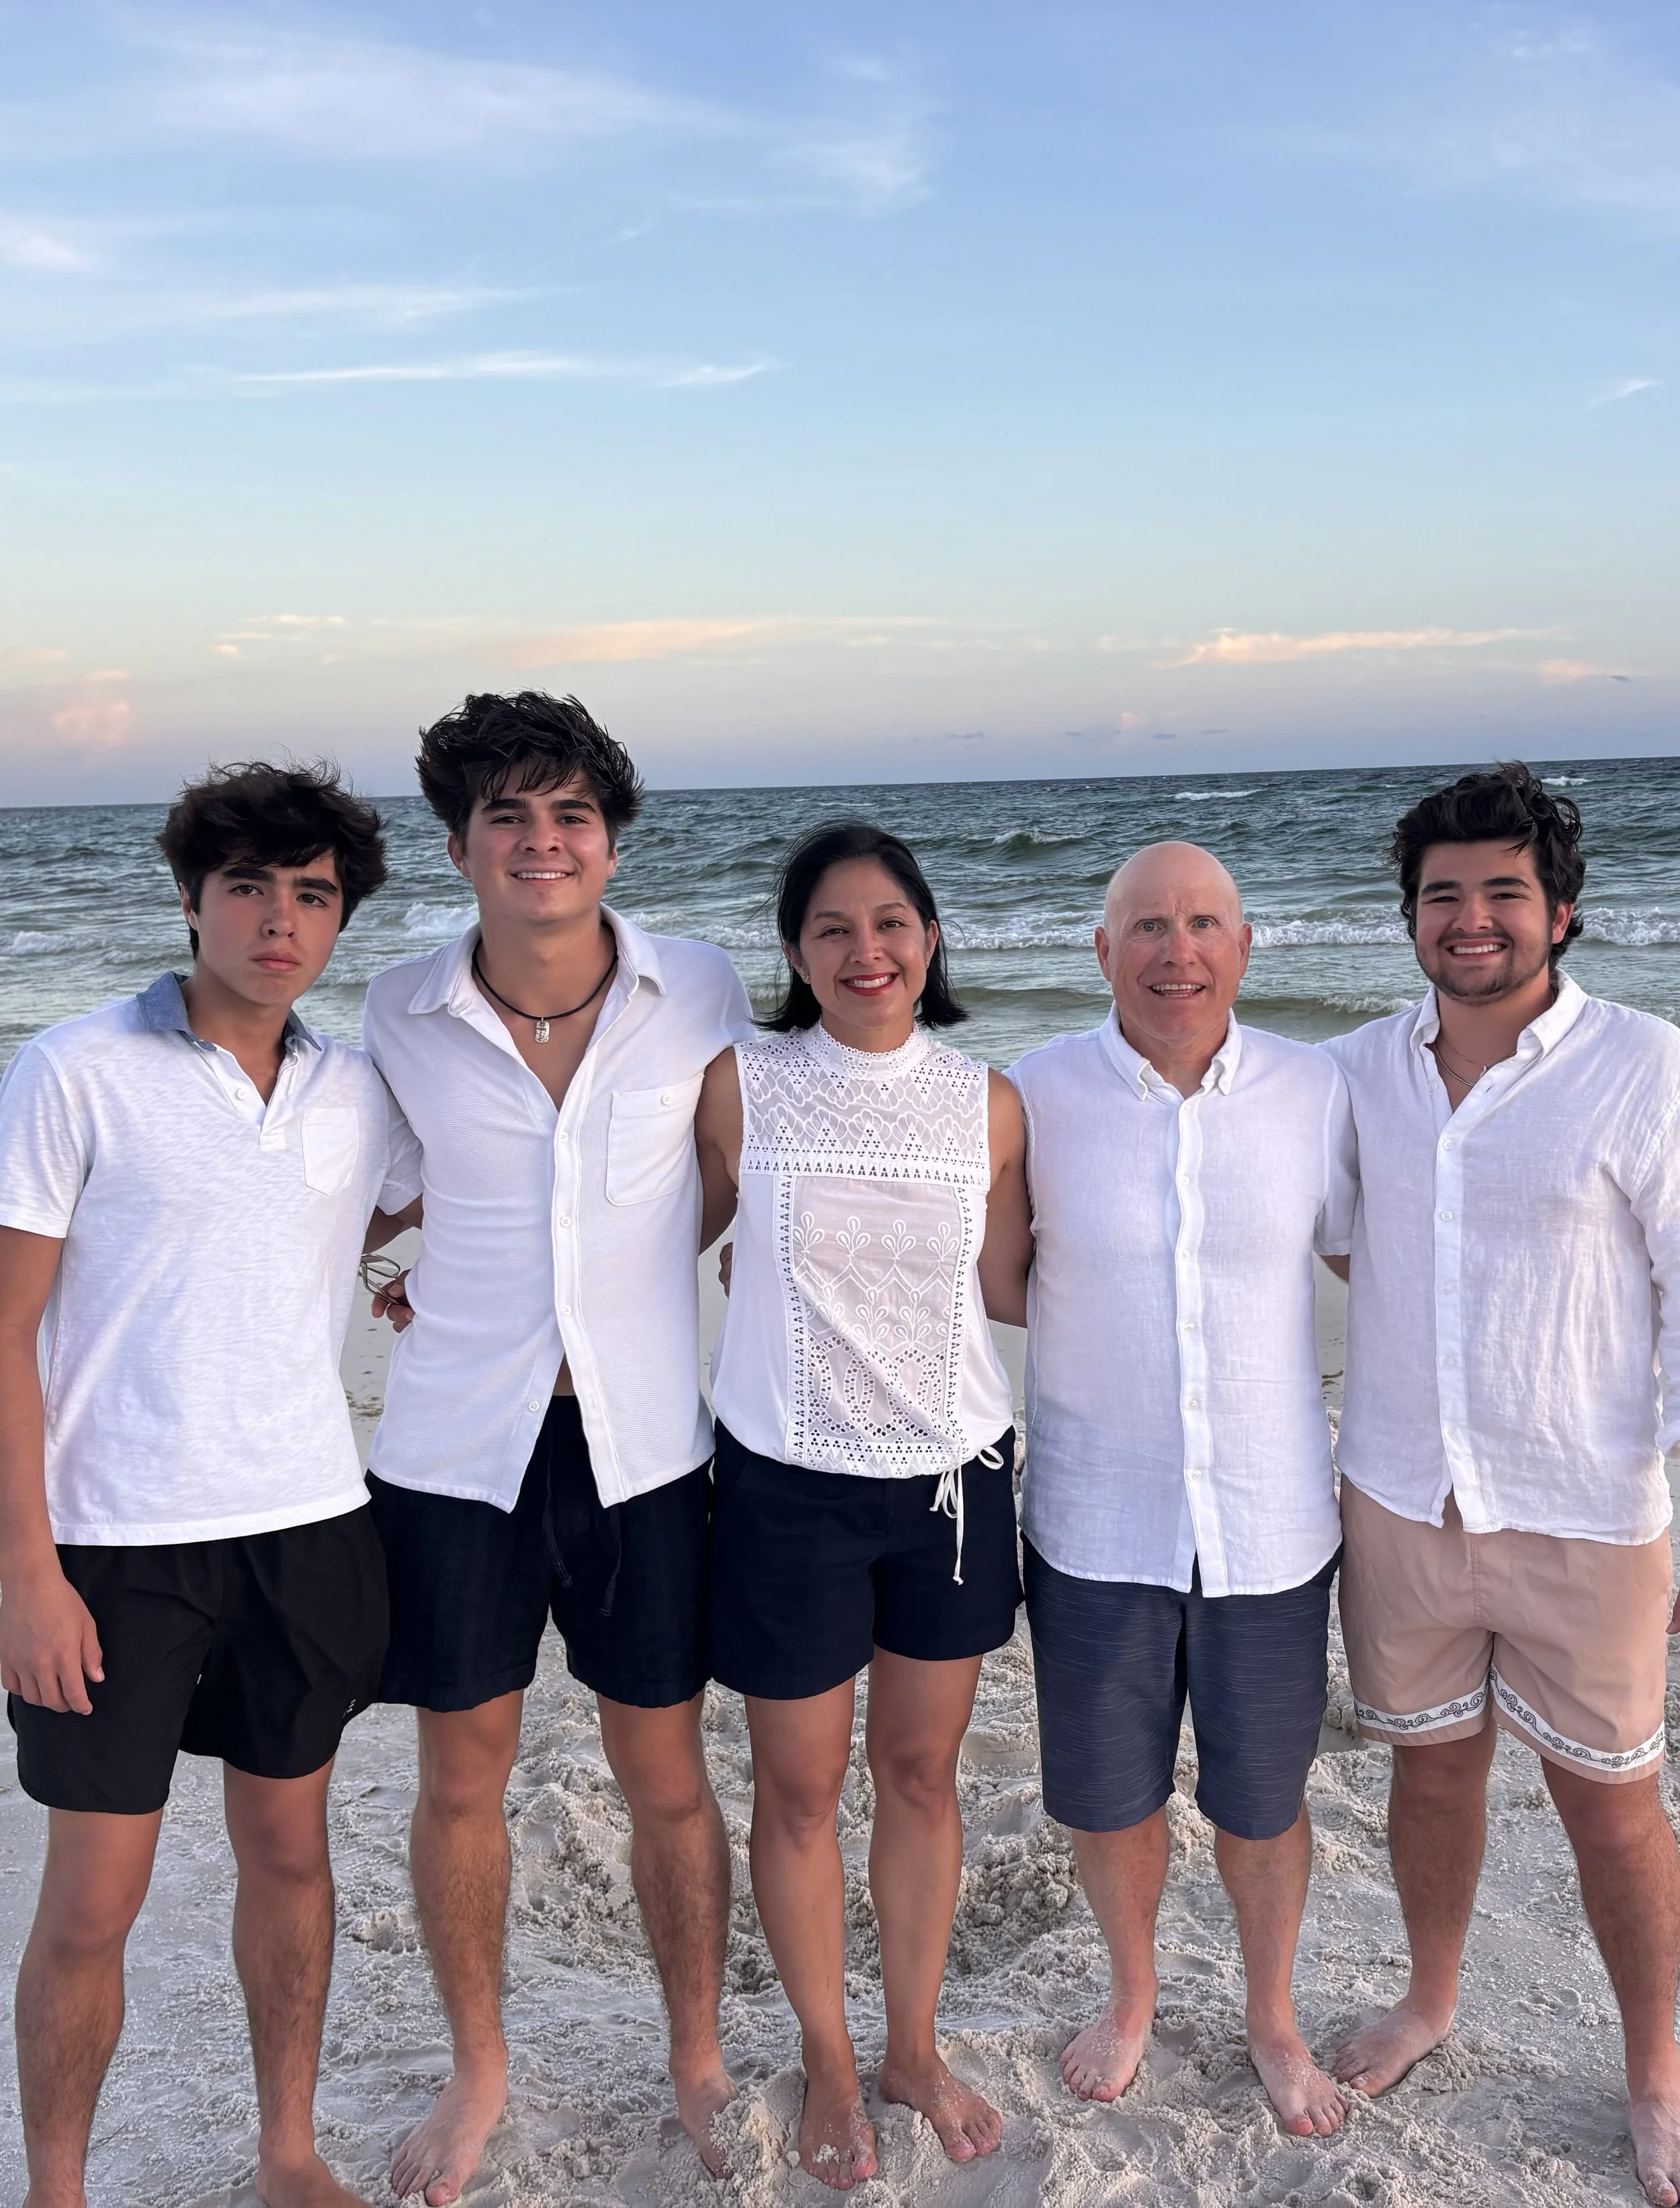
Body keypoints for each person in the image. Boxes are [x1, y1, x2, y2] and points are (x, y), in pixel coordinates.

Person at [358, 691, 753, 2205]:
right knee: (461, 1774)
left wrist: (610, 1285)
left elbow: (722, 1182)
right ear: (457, 845)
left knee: (662, 1767)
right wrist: (384, 1280)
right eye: (507, 816)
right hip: (457, 1452)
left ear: (611, 835)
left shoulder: (698, 986)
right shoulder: (396, 1008)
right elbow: (350, 1185)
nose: (541, 840)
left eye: (569, 812)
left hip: (642, 1446)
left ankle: (699, 2052)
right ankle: (480, 2070)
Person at [0, 763, 408, 2208]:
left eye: (310, 891)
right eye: (247, 884)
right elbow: (4, 1329)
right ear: (190, 898)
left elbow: (413, 1211)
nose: (278, 918)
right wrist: (25, 1571)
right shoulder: (72, 1070)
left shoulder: (356, 1085)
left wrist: (406, 1274)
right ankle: (57, 2188)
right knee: (93, 1900)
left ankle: (286, 2150)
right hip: (116, 1545)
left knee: (290, 1855)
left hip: (305, 1524)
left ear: (340, 913)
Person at [1322, 765, 1680, 2208]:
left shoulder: (1644, 1065)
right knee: (1429, 1766)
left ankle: (1654, 2063)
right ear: (1408, 915)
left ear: (1562, 912)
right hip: (1402, 1493)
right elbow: (1347, 1243)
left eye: (1500, 892)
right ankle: (1426, 1997)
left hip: (1585, 1505)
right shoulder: (1354, 1068)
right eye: (1441, 894)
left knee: (1610, 1802)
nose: (1468, 919)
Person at [983, 841, 1355, 2138]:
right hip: (1096, 1513)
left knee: (1264, 1795)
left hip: (1270, 1516)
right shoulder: (1032, 1093)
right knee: (1109, 1791)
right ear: (1101, 952)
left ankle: (1272, 2014)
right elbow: (989, 1277)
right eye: (1147, 925)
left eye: (1204, 923)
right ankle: (1130, 1993)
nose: (1176, 949)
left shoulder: (1321, 1089)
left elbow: (1378, 1261)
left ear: (1247, 948)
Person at [693, 820, 1023, 2191]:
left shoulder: (989, 1101)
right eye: (830, 928)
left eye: (890, 922)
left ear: (929, 939)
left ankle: (911, 2042)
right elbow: (649, 1242)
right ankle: (829, 2058)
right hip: (781, 1482)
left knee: (921, 1774)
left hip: (951, 1481)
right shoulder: (739, 1086)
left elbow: (1008, 1287)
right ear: (792, 954)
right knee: (799, 1781)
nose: (864, 950)